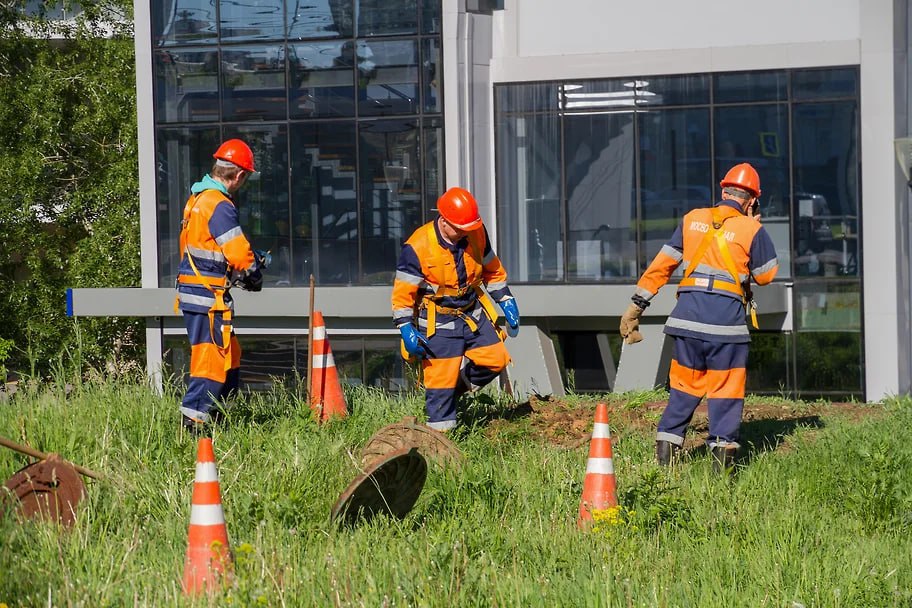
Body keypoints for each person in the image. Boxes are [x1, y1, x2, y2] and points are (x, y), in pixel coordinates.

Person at [619, 163, 779, 472]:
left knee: (684, 386)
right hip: (725, 327)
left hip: (686, 322)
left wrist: (636, 307)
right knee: (725, 390)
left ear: (723, 191)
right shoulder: (752, 228)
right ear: (752, 200)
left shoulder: (692, 220)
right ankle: (720, 473)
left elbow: (661, 266)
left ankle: (665, 460)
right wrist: (753, 227)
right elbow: (766, 275)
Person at [391, 187, 520, 431]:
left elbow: (492, 270)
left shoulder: (475, 232)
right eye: (461, 228)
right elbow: (402, 295)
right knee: (439, 386)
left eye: (470, 227)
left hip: (473, 314)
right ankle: (441, 442)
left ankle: (454, 391)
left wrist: (506, 300)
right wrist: (406, 328)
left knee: (496, 359)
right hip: (437, 322)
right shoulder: (417, 247)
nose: (466, 233)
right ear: (444, 221)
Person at [175, 139, 267, 434]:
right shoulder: (220, 205)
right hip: (207, 298)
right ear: (239, 175)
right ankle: (195, 421)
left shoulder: (198, 200)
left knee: (230, 355)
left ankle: (217, 412)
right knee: (211, 360)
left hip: (198, 292)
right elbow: (239, 252)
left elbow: (207, 251)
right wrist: (252, 273)